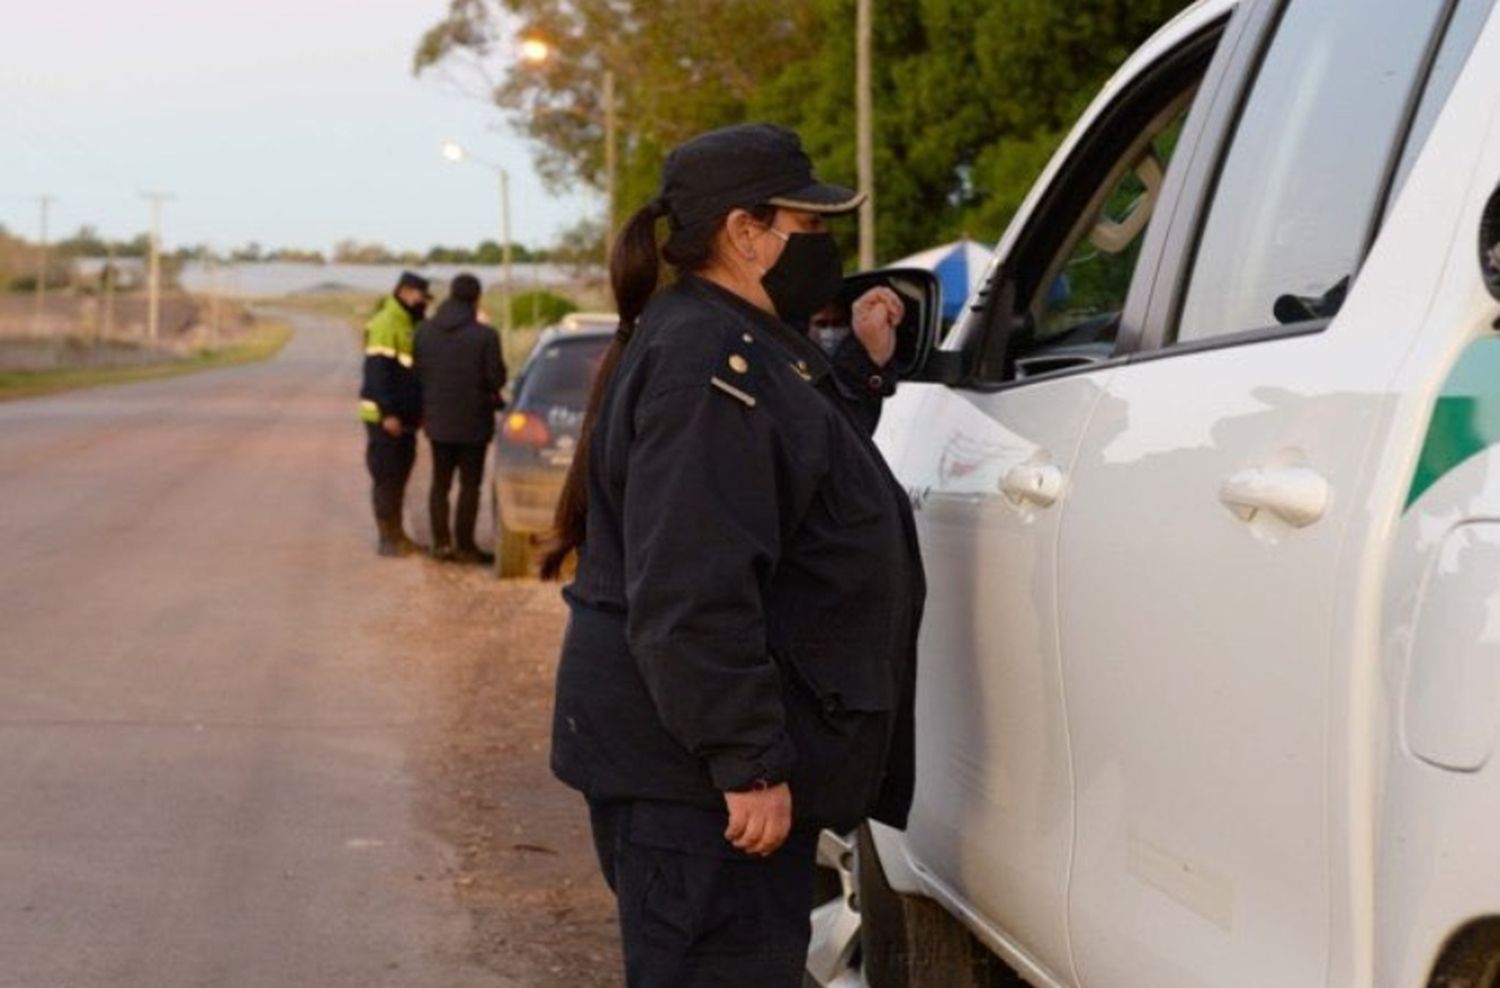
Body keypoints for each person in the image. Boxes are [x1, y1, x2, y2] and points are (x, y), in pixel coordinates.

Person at [542, 123, 925, 988]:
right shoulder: (707, 360)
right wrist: (746, 760)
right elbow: (692, 587)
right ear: (745, 234)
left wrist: (862, 371)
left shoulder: (730, 338)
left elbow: (796, 475)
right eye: (812, 227)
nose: (826, 249)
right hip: (694, 784)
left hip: (689, 770)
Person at [413, 273, 507, 564]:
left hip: (437, 421)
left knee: (439, 484)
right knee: (470, 485)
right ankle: (465, 546)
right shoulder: (485, 335)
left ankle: (441, 544)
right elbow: (497, 378)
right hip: (474, 424)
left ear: (450, 295)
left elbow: (418, 374)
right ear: (476, 299)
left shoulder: (425, 331)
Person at [359, 270, 430, 557]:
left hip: (405, 418)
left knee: (399, 478)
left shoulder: (408, 323)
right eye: (420, 296)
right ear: (404, 292)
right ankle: (388, 539)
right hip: (385, 418)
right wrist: (388, 413)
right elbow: (377, 373)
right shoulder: (386, 323)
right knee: (387, 478)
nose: (423, 301)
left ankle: (399, 536)